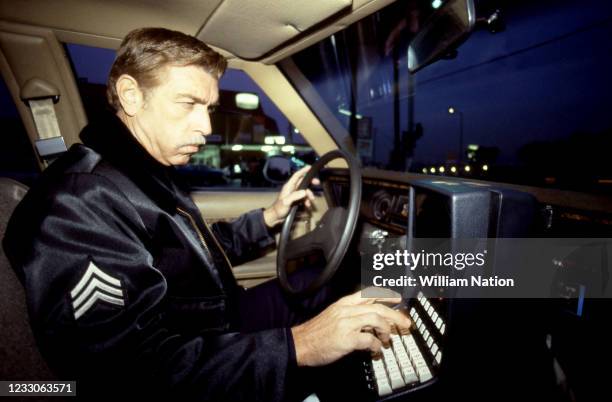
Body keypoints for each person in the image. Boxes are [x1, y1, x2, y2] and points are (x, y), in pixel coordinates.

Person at [3, 28, 410, 401]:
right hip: (194, 345)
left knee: (315, 284)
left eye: (210, 107)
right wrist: (301, 345)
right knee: (326, 308)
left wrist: (270, 216)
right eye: (189, 104)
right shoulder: (80, 202)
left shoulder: (142, 171)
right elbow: (126, 373)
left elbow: (192, 250)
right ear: (130, 95)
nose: (205, 126)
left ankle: (463, 272)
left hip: (214, 317)